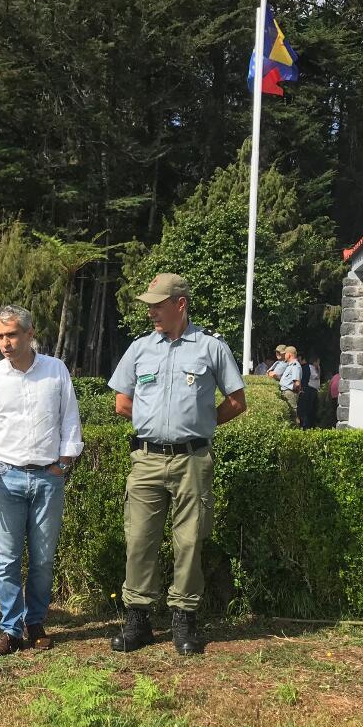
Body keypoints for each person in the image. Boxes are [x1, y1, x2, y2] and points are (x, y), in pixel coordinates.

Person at [108, 273, 246, 655]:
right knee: (139, 539)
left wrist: (200, 425)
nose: (151, 312)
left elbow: (237, 400)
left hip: (192, 461)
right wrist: (154, 426)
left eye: (158, 305)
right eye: (150, 306)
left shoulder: (211, 347)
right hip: (146, 460)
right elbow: (121, 402)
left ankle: (184, 620)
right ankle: (138, 620)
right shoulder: (139, 349)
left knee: (189, 541)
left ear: (180, 304)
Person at [0, 305, 83, 656]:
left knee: (42, 559)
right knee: (8, 559)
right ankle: (10, 629)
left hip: (48, 478)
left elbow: (70, 418)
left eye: (11, 334)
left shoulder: (55, 370)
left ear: (29, 333)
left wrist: (64, 462)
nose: (5, 343)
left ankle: (35, 622)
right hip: (6, 477)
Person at [297, 354, 320, 430]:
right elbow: (316, 377)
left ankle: (308, 425)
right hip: (308, 390)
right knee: (307, 409)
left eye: (299, 360)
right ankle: (307, 425)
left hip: (309, 390)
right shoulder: (308, 367)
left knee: (309, 409)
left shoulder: (306, 367)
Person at [278, 345, 301, 413]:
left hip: (289, 393)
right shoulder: (291, 365)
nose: (283, 356)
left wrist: (292, 392)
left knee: (292, 414)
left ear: (289, 354)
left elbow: (297, 383)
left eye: (285, 354)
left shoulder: (295, 365)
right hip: (287, 392)